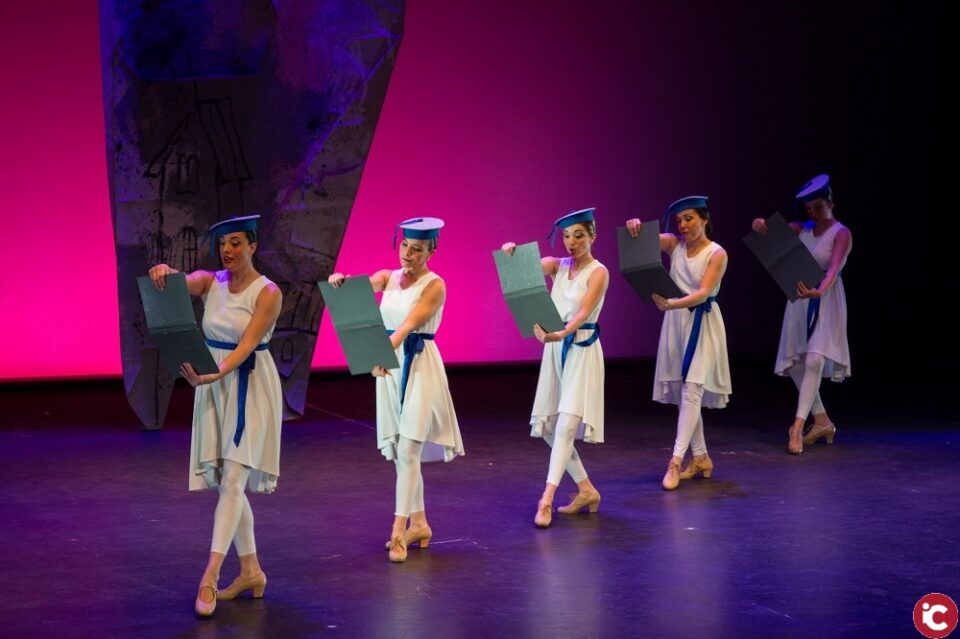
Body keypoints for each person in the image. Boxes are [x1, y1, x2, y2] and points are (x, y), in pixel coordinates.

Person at [148, 214, 283, 617]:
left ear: (253, 246)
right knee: (229, 482)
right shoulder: (211, 281)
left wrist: (214, 374)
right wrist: (166, 273)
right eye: (223, 242)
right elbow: (180, 283)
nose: (228, 249)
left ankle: (209, 574)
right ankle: (251, 571)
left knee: (234, 480)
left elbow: (246, 345)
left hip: (249, 385)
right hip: (213, 383)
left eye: (237, 242)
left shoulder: (268, 292)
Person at [327, 217, 463, 562]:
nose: (408, 253)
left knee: (410, 450)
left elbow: (407, 325)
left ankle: (398, 531)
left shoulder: (436, 285)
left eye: (416, 248)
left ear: (431, 250)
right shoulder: (388, 277)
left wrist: (381, 352)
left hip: (417, 366)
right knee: (403, 452)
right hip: (390, 366)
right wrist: (341, 282)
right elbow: (362, 286)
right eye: (404, 245)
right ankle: (420, 523)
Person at [501, 208, 609, 528]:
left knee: (564, 426)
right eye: (566, 236)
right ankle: (586, 489)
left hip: (581, 350)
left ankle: (546, 498)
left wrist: (561, 332)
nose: (571, 243)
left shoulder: (598, 272)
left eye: (578, 235)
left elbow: (583, 312)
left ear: (592, 236)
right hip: (555, 348)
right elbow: (525, 268)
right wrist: (512, 251)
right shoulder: (558, 266)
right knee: (548, 426)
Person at [627, 196, 731, 490]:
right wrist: (637, 227)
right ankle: (700, 458)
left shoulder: (717, 253)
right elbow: (642, 242)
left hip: (701, 322)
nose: (683, 225)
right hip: (676, 324)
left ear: (704, 219)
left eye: (689, 218)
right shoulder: (674, 245)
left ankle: (675, 460)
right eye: (680, 220)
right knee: (686, 392)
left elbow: (702, 293)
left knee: (692, 390)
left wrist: (672, 304)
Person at [751, 174, 852, 454]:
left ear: (831, 203)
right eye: (809, 209)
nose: (813, 214)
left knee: (815, 360)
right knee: (795, 362)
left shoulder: (841, 233)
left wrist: (821, 290)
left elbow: (833, 268)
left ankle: (796, 426)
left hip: (826, 298)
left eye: (818, 207)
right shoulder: (802, 228)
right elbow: (770, 231)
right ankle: (822, 421)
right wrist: (759, 225)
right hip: (799, 299)